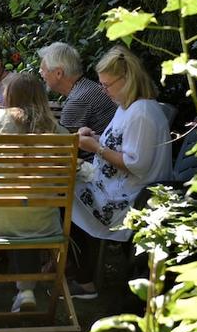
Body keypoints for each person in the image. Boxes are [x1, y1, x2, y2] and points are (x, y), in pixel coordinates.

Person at [70, 45, 173, 298]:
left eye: (107, 85)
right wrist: (94, 138)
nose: (104, 91)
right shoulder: (127, 106)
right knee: (62, 186)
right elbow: (119, 144)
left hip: (128, 198)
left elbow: (135, 163)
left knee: (62, 195)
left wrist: (95, 147)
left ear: (127, 79)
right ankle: (78, 273)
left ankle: (84, 279)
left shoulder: (142, 113)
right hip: (113, 187)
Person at [0, 73, 67, 312]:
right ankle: (26, 292)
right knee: (27, 216)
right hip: (44, 222)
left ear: (9, 97)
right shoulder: (55, 129)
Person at [37, 41, 116, 154]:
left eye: (42, 70)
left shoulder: (78, 100)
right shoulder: (86, 87)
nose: (41, 74)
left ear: (58, 73)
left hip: (94, 162)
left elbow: (62, 148)